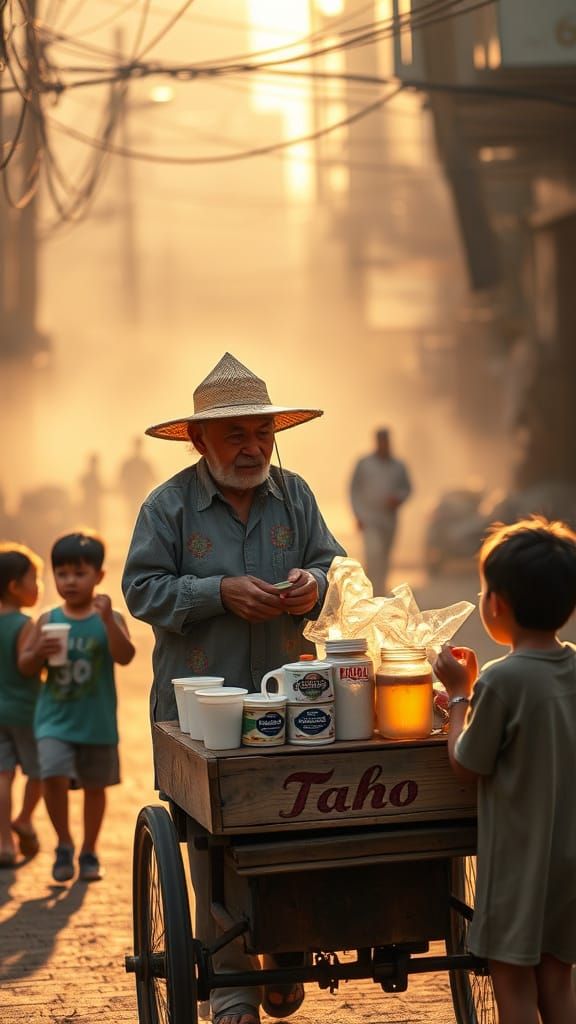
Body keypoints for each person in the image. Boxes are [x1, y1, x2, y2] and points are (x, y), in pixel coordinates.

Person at [122, 351, 346, 1024]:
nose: (253, 450)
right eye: (235, 436)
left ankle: (285, 955)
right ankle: (232, 986)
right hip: (200, 711)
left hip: (292, 706)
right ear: (198, 440)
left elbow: (335, 567)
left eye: (262, 435)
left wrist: (317, 585)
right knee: (213, 846)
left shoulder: (296, 495)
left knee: (294, 827)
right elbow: (140, 589)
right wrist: (217, 593)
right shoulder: (167, 508)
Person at [434, 516, 576, 1024]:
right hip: (567, 862)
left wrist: (457, 696)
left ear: (498, 605)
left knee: (513, 982)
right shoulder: (572, 666)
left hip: (519, 865)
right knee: (558, 978)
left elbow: (467, 764)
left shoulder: (501, 681)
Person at [19, 531, 135, 883]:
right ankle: (64, 843)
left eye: (79, 573)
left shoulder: (110, 616)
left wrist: (105, 622)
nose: (69, 581)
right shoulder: (47, 618)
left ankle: (88, 850)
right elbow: (25, 666)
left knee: (94, 787)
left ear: (99, 576)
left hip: (96, 720)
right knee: (52, 775)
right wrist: (36, 652)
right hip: (54, 718)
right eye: (62, 573)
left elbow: (126, 656)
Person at [0, 543, 44, 866]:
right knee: (40, 769)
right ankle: (25, 818)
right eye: (34, 579)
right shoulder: (25, 624)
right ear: (15, 587)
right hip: (26, 711)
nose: (38, 587)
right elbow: (26, 665)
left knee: (3, 775)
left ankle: (4, 844)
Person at [349, 427, 411, 595]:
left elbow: (407, 488)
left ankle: (381, 589)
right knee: (373, 554)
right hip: (369, 518)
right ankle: (371, 590)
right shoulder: (364, 464)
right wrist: (358, 514)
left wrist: (398, 498)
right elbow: (354, 490)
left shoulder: (398, 466)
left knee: (384, 556)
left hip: (389, 519)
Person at [117, 437, 155, 531]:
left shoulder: (140, 462)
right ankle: (134, 529)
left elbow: (152, 476)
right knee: (134, 511)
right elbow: (121, 478)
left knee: (136, 510)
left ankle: (135, 529)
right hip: (133, 491)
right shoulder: (136, 462)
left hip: (138, 491)